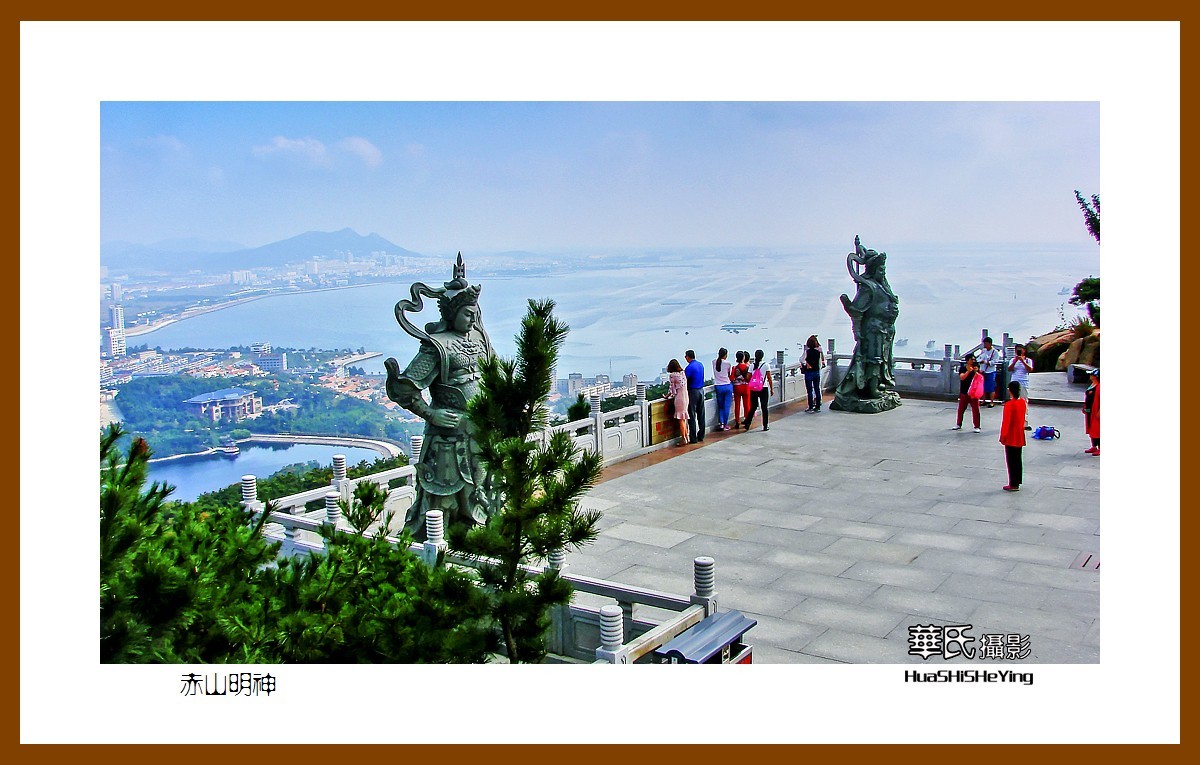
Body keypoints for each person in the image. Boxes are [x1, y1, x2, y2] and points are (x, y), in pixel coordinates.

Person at [385, 253, 494, 540]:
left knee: (483, 488)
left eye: (475, 314)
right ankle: (438, 540)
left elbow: (495, 375)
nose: (472, 319)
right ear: (451, 313)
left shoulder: (480, 339)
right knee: (443, 496)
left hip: (480, 429)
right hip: (447, 437)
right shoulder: (437, 347)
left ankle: (480, 535)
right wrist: (431, 413)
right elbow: (404, 388)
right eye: (467, 314)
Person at [999, 380, 1028, 491]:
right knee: (1017, 459)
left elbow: (1006, 422)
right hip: (1019, 434)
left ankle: (1013, 483)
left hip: (1011, 436)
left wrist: (1003, 436)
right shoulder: (1022, 402)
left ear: (1009, 390)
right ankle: (1017, 481)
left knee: (1011, 460)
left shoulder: (1009, 405)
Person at [742, 349, 775, 431]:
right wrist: (771, 389)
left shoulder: (752, 366)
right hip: (763, 388)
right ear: (762, 356)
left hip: (753, 389)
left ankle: (748, 422)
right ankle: (765, 425)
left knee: (753, 406)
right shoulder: (766, 365)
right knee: (764, 407)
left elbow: (748, 378)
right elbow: (769, 378)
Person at [952, 353, 982, 432]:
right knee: (961, 409)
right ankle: (958, 424)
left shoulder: (976, 368)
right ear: (967, 360)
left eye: (974, 359)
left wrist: (976, 371)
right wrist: (968, 372)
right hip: (964, 392)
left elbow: (980, 378)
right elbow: (962, 377)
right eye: (971, 359)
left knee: (975, 410)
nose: (973, 361)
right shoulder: (963, 368)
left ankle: (977, 426)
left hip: (973, 392)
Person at [1008, 344, 1034, 430]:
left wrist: (1023, 361)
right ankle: (1013, 422)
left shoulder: (1028, 360)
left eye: (1020, 350)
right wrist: (1016, 360)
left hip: (1023, 383)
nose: (1018, 351)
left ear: (1024, 351)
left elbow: (1030, 370)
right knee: (1013, 402)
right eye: (1017, 350)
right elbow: (1010, 369)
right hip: (1014, 382)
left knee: (1024, 402)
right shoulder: (1012, 360)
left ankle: (1024, 423)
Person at [683, 349, 707, 442]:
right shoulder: (700, 365)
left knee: (692, 415)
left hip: (692, 391)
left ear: (688, 357)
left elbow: (685, 380)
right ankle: (701, 435)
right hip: (701, 390)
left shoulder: (689, 368)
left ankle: (693, 438)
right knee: (701, 414)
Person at [666, 358, 690, 445]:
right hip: (686, 397)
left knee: (681, 419)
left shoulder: (673, 375)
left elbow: (672, 389)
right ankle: (687, 437)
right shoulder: (682, 373)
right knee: (684, 418)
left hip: (679, 398)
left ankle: (683, 438)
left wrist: (667, 396)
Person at [976, 336, 1003, 408]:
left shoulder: (995, 352)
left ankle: (992, 402)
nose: (985, 345)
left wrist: (987, 362)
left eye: (986, 343)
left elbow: (995, 361)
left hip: (991, 371)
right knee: (983, 387)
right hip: (983, 370)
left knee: (991, 387)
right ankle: (983, 400)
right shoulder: (983, 351)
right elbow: (980, 357)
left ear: (990, 344)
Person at [712, 348, 733, 431]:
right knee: (726, 406)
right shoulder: (728, 363)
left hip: (718, 386)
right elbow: (729, 374)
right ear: (725, 355)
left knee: (720, 406)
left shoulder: (714, 362)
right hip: (727, 385)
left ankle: (721, 424)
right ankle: (726, 424)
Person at [803, 335, 825, 412]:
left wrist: (807, 363)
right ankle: (818, 407)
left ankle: (810, 407)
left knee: (809, 391)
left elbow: (801, 360)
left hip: (809, 373)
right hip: (816, 372)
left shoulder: (807, 352)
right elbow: (820, 362)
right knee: (817, 389)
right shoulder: (818, 352)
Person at [731, 350, 751, 429]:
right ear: (743, 358)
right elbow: (749, 378)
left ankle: (737, 421)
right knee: (746, 404)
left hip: (737, 387)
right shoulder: (748, 367)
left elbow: (732, 378)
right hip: (746, 387)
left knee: (737, 405)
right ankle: (747, 420)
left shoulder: (735, 368)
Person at [1083, 368, 1100, 456]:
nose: (1090, 376)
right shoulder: (1092, 385)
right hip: (1090, 410)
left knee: (1097, 429)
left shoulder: (1100, 387)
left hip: (1096, 411)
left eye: (1092, 375)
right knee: (1091, 428)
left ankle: (1100, 447)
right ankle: (1094, 446)